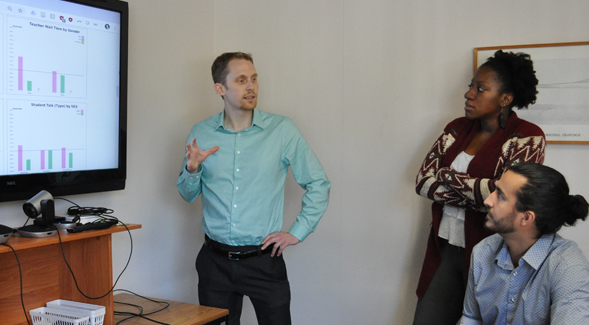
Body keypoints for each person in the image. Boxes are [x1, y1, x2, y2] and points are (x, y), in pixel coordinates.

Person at [177, 52, 331, 325]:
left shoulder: (282, 130)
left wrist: (297, 232)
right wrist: (193, 169)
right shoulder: (201, 133)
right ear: (220, 88)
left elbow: (318, 183)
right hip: (214, 262)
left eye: (254, 79)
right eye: (241, 80)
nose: (251, 87)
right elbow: (187, 195)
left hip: (263, 262)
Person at [413, 50, 546, 325]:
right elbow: (424, 182)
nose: (469, 94)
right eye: (471, 86)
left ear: (505, 99)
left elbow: (507, 197)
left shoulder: (528, 137)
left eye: (481, 88)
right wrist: (483, 190)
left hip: (495, 255)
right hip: (446, 248)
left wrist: (447, 177)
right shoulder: (456, 129)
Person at [460, 163, 589, 324]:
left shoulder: (567, 266)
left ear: (526, 218)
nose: (488, 200)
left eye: (500, 196)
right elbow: (472, 318)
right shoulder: (483, 251)